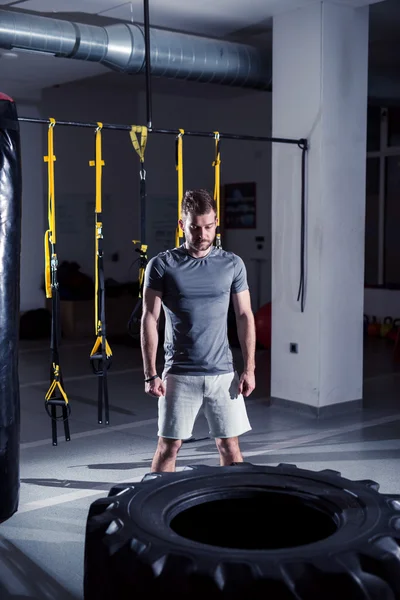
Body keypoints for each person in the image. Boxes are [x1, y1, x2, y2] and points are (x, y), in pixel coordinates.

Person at [141, 188, 256, 472]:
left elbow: (244, 315)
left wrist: (249, 367)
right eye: (195, 227)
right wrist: (150, 373)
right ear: (182, 225)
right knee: (169, 447)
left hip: (222, 373)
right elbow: (149, 318)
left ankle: (236, 506)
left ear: (216, 223)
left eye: (208, 226)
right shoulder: (162, 265)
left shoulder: (232, 264)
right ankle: (155, 504)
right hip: (179, 374)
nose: (202, 234)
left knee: (230, 446)